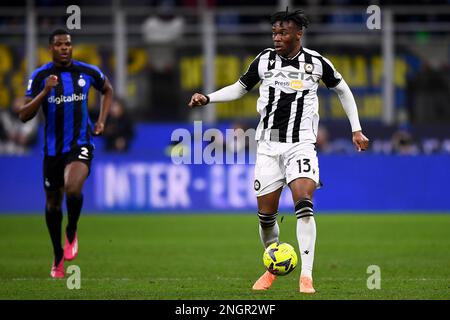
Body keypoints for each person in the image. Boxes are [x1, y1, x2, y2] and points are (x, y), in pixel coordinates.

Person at [188, 9, 369, 293]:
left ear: (299, 34)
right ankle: (272, 267)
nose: (277, 38)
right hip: (268, 146)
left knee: (304, 203)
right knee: (266, 217)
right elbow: (239, 88)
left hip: (301, 144)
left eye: (283, 33)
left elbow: (343, 90)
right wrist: (208, 98)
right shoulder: (263, 60)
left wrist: (356, 129)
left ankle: (306, 277)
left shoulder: (316, 63)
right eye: (274, 33)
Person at [19, 29, 113, 278]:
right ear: (50, 48)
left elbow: (107, 90)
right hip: (52, 151)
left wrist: (101, 120)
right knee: (52, 203)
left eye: (68, 44)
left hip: (80, 144)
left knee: (72, 189)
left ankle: (71, 230)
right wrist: (44, 93)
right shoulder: (40, 76)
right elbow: (23, 116)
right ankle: (57, 254)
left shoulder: (86, 71)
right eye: (59, 44)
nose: (65, 48)